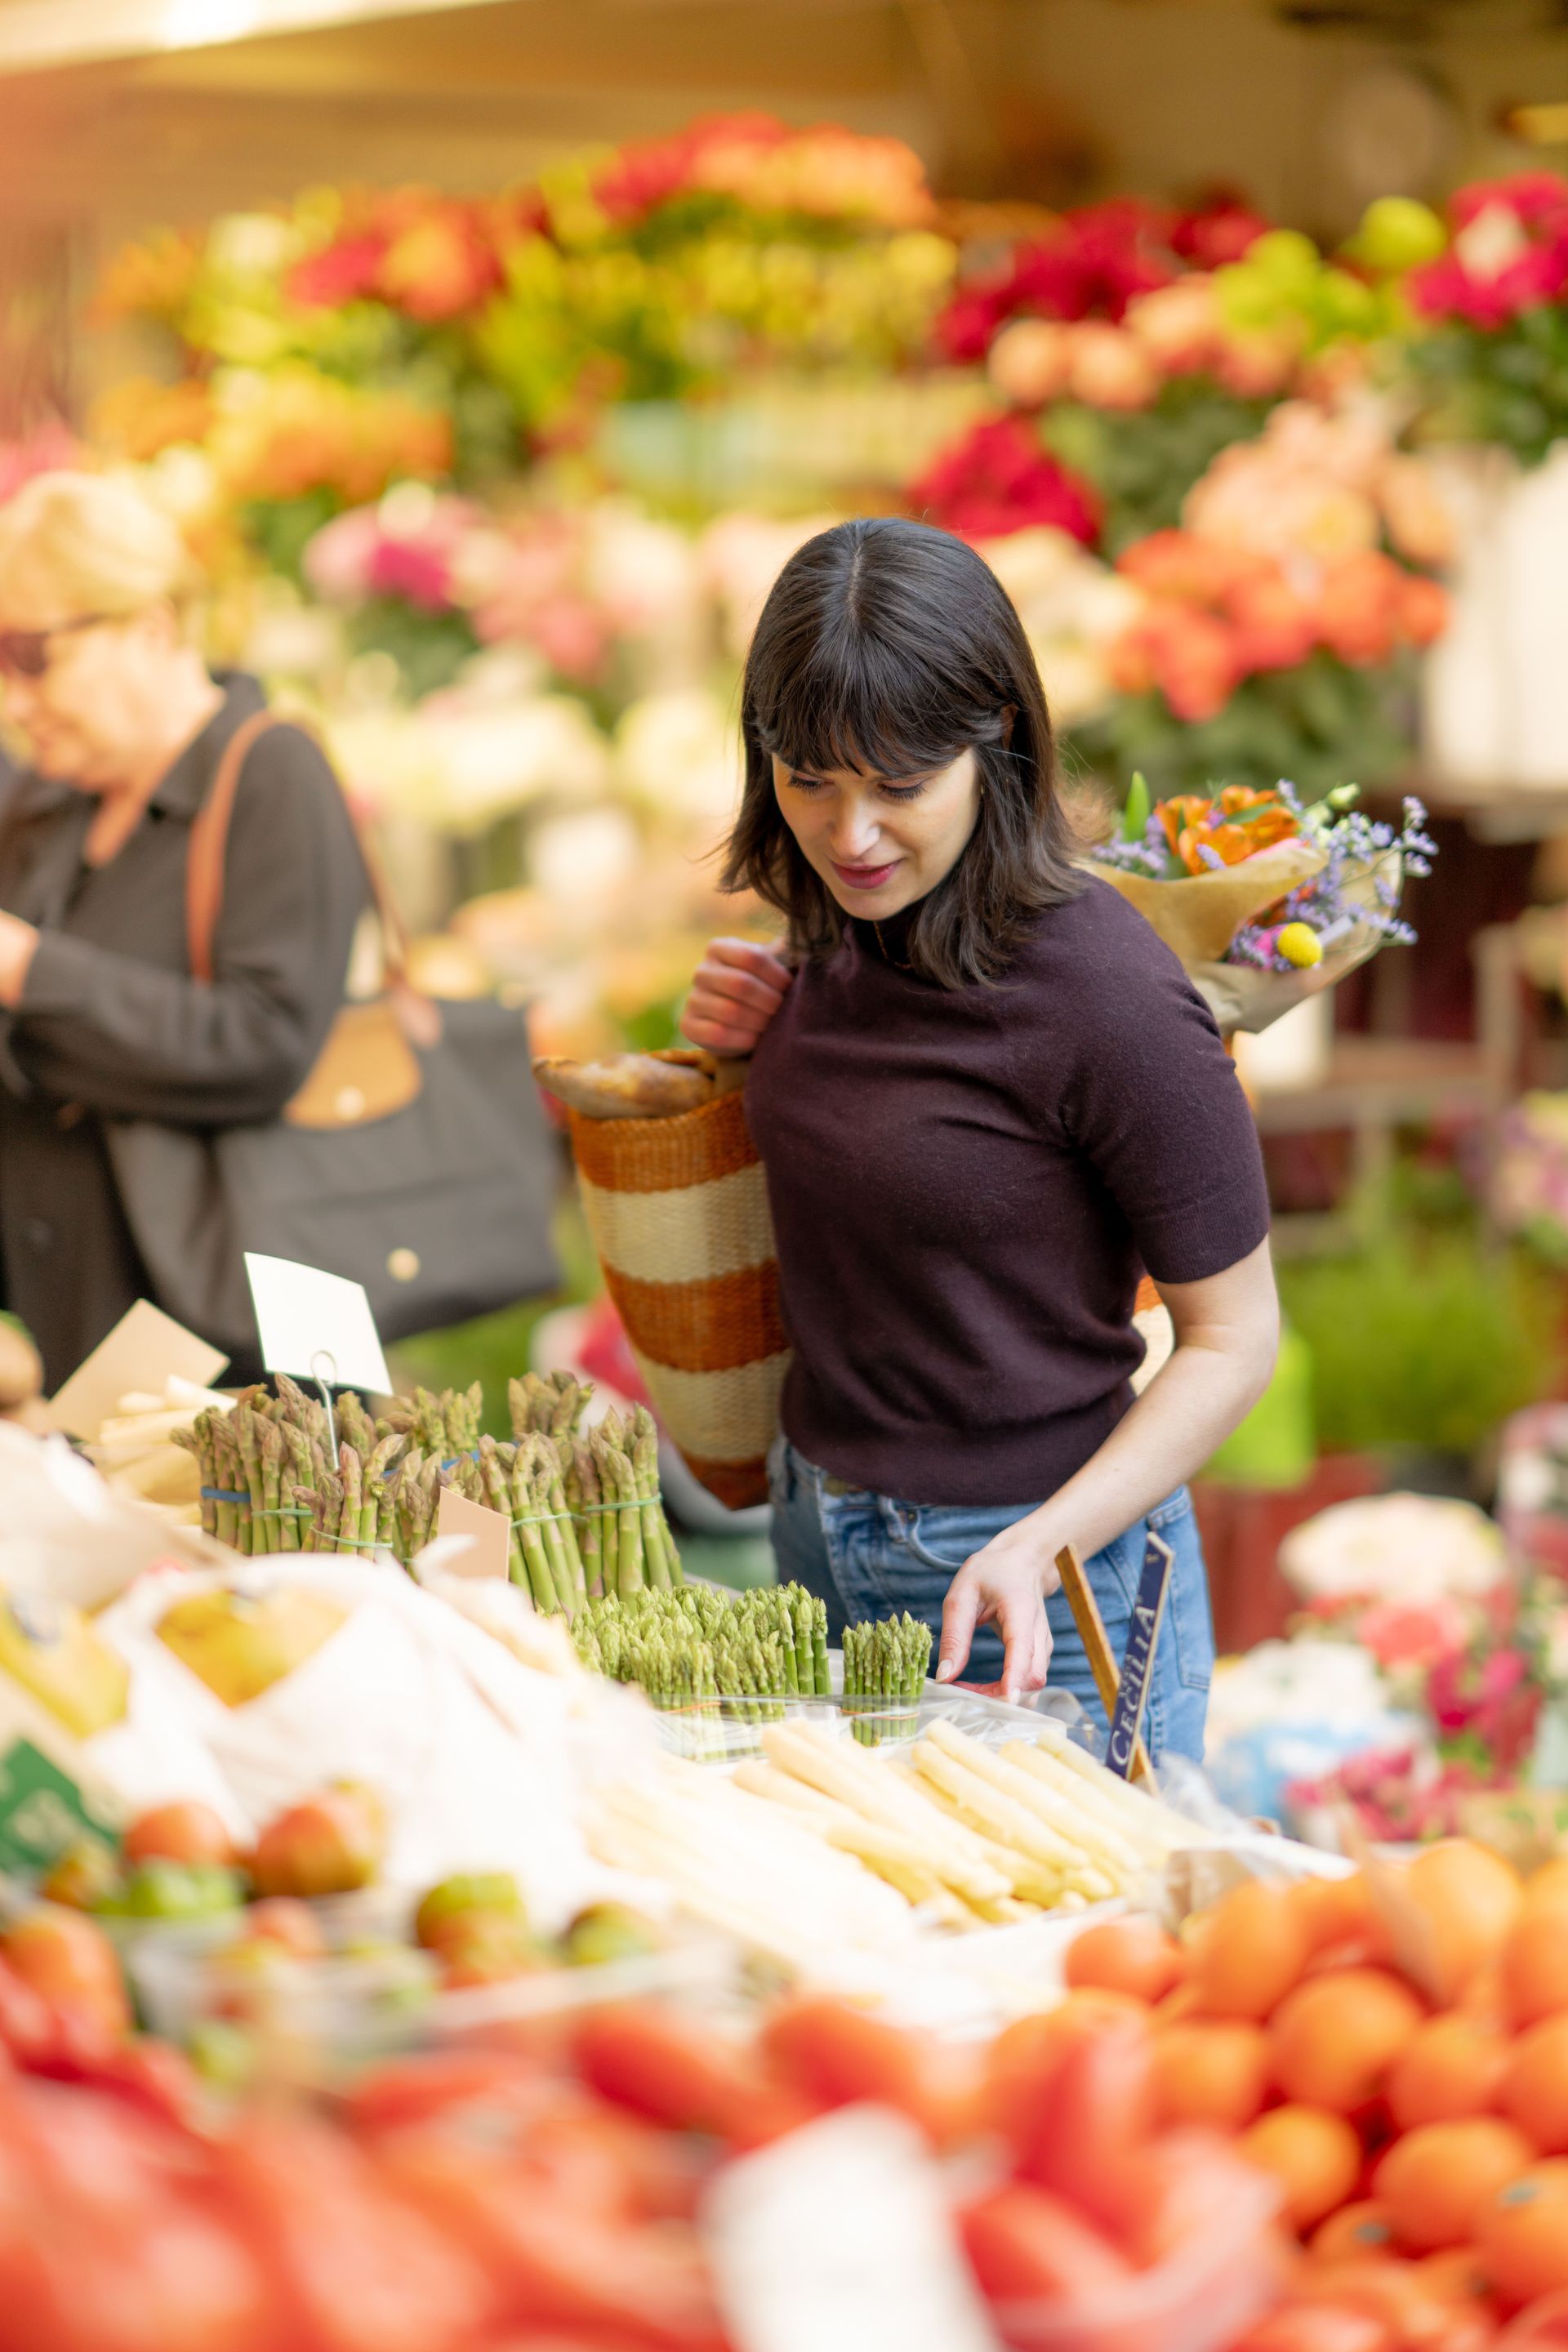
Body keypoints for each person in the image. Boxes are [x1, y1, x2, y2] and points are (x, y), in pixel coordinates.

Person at [683, 517, 1278, 1757]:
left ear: (995, 735)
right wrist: (753, 1048)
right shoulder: (839, 929)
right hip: (816, 1536)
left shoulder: (1106, 993)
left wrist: (1042, 1540)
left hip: (1038, 1584)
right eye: (809, 781)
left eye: (900, 786)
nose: (851, 835)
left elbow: (1236, 1339)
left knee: (1078, 1947)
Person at [0, 471, 370, 1390]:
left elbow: (266, 1043)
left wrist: (28, 974)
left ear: (152, 627)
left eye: (32, 653)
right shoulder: (45, 804)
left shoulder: (271, 772)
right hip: (64, 1324)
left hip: (226, 1346)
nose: (12, 697)